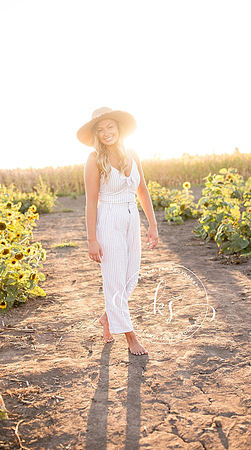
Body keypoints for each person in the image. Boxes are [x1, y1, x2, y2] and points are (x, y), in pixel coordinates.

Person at [78, 107, 159, 356]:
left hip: (131, 216)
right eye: (100, 130)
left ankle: (107, 317)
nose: (106, 133)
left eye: (110, 127)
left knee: (130, 277)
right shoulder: (94, 159)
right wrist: (92, 239)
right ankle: (130, 337)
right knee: (114, 281)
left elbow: (142, 191)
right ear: (96, 134)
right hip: (109, 219)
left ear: (118, 128)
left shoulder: (133, 153)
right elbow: (91, 201)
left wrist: (152, 225)